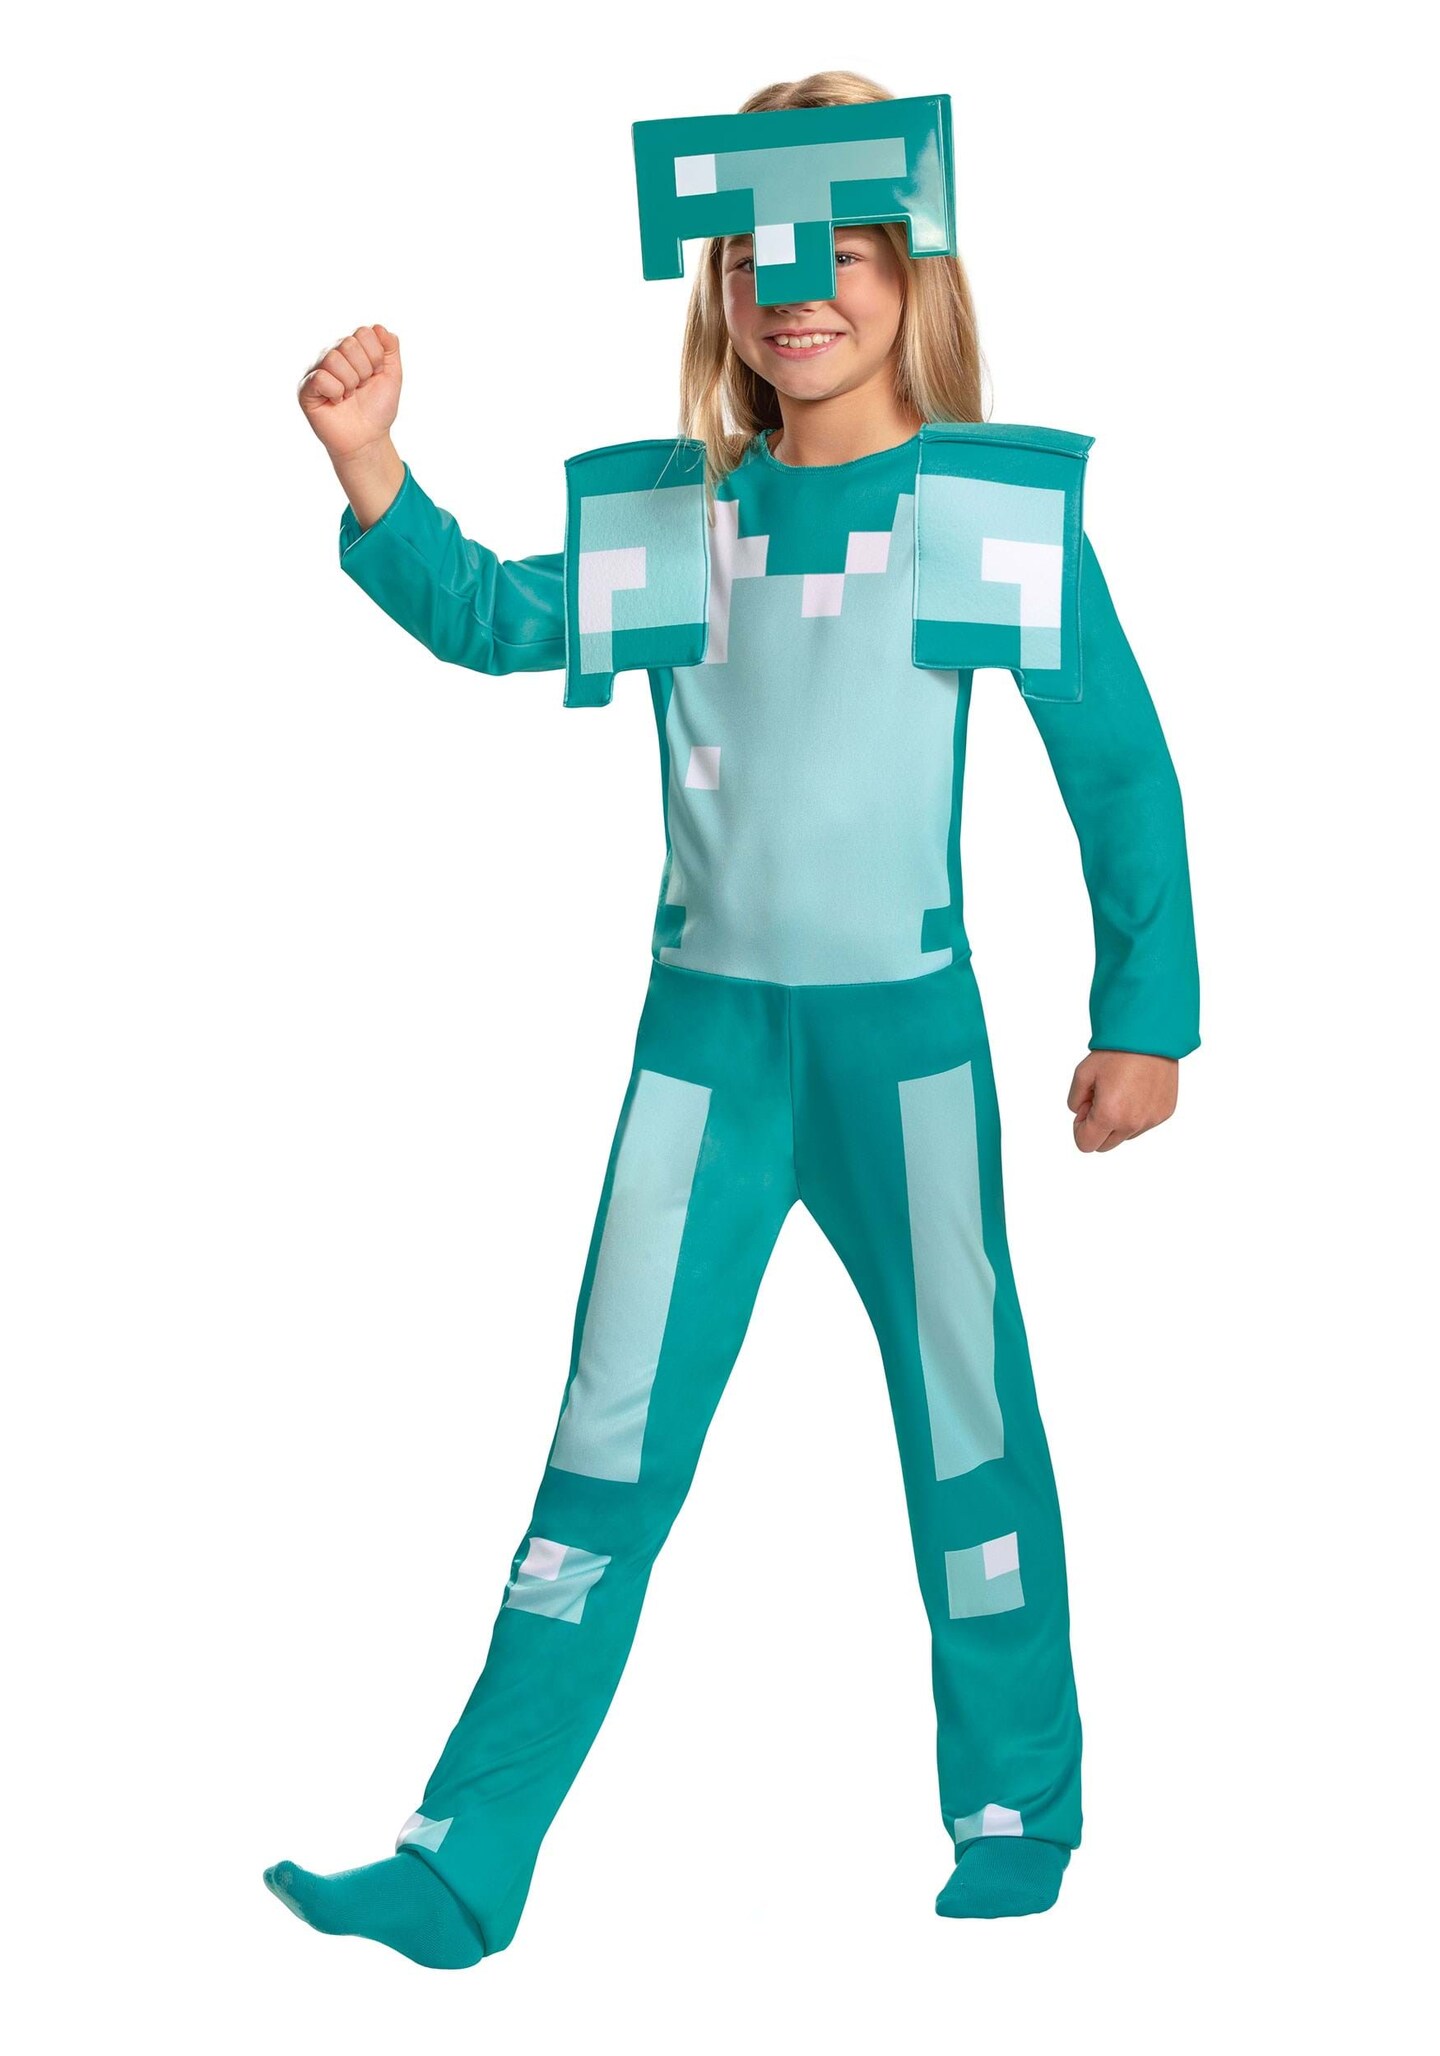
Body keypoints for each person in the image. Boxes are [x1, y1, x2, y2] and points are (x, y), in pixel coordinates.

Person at [265, 70, 1199, 1969]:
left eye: (843, 251)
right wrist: (374, 471)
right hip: (701, 1059)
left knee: (966, 1423)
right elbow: (497, 617)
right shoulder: (679, 518)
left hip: (905, 1054)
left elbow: (1119, 764)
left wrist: (1146, 1012)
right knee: (603, 1437)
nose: (800, 290)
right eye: (760, 258)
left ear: (912, 275)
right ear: (718, 286)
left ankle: (1016, 1803)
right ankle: (463, 1858)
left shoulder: (982, 511)